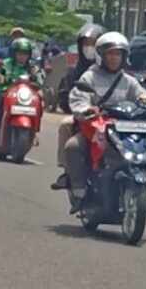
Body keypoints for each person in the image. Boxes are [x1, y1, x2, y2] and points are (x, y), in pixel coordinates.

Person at [55, 31, 146, 211]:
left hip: (125, 128)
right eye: (110, 54)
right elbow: (78, 99)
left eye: (118, 54)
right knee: (73, 147)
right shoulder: (89, 77)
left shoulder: (129, 81)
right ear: (101, 56)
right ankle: (78, 189)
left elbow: (143, 98)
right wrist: (87, 109)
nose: (114, 58)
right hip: (97, 127)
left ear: (124, 57)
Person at [53, 23, 104, 179]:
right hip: (85, 117)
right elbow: (64, 96)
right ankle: (67, 171)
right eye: (86, 44)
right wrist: (81, 108)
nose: (89, 47)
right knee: (65, 125)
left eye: (93, 43)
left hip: (112, 117)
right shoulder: (74, 72)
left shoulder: (117, 72)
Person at [0, 37, 43, 137]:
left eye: (25, 53)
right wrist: (0, 77)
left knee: (39, 99)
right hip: (7, 91)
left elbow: (40, 78)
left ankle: (35, 130)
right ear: (13, 53)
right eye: (19, 53)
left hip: (26, 94)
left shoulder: (32, 66)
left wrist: (37, 81)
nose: (22, 56)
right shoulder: (5, 63)